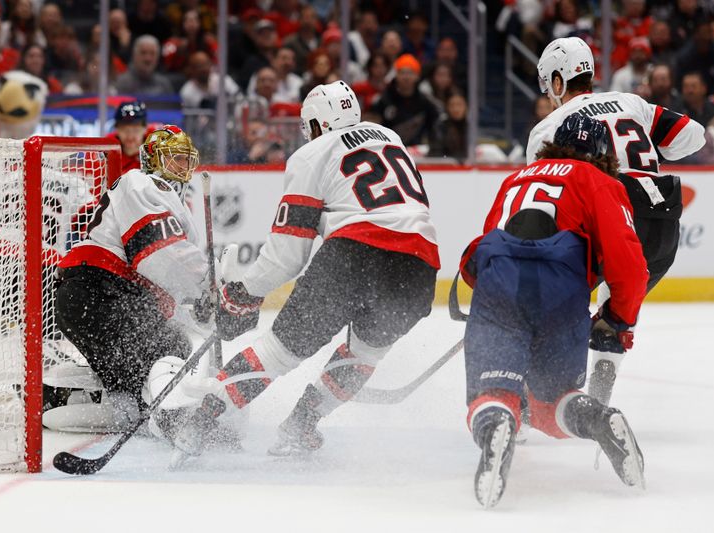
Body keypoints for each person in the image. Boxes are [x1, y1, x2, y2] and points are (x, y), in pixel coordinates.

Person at [168, 80, 439, 463]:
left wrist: (244, 291)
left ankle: (199, 424)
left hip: (354, 256)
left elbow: (287, 255)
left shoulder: (314, 152)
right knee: (364, 353)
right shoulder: (390, 137)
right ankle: (301, 426)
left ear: (318, 124)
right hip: (419, 266)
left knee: (276, 353)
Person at [460, 113, 648, 508]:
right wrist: (618, 319)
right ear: (602, 154)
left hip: (501, 284)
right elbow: (630, 267)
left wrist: (486, 295)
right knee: (550, 403)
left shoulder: (517, 178)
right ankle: (596, 420)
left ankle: (496, 423)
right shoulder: (602, 182)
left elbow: (486, 245)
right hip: (561, 291)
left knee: (492, 393)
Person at [527, 36, 705, 407]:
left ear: (558, 81)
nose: (549, 94)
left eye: (549, 86)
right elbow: (694, 135)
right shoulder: (632, 103)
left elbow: (540, 205)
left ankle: (532, 401)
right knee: (617, 307)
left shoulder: (549, 127)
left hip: (614, 220)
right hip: (664, 230)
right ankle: (600, 395)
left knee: (549, 305)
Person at [54, 125, 209, 433]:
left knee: (132, 371)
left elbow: (169, 281)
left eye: (185, 158)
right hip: (101, 292)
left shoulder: (172, 203)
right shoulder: (142, 182)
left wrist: (201, 305)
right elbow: (157, 256)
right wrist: (208, 284)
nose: (182, 166)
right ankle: (170, 418)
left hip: (89, 298)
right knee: (172, 344)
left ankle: (99, 403)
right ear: (152, 159)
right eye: (174, 158)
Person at [108, 100, 148, 174]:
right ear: (117, 130)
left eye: (135, 130)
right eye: (124, 129)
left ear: (145, 129)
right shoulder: (106, 151)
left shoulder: (157, 149)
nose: (130, 136)